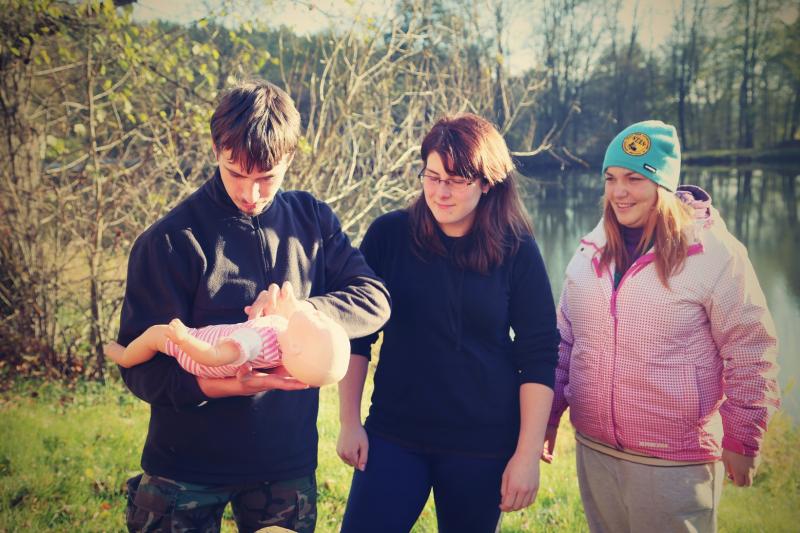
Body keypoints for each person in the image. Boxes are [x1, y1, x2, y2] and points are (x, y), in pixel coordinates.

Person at [116, 79, 390, 533]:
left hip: (284, 467)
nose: (251, 193)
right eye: (236, 173)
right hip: (183, 468)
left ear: (290, 158)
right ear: (216, 149)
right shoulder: (169, 240)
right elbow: (138, 369)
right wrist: (213, 385)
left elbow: (373, 298)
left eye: (267, 177)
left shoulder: (313, 221)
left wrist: (300, 313)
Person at [544, 120, 781, 533]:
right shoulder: (590, 251)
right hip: (595, 451)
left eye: (634, 179)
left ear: (663, 185)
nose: (619, 191)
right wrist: (547, 417)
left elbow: (750, 348)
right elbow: (564, 342)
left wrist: (744, 437)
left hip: (675, 463)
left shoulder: (713, 254)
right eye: (611, 178)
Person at [337, 113, 561, 532]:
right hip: (394, 434)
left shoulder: (517, 249)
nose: (440, 192)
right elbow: (357, 335)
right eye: (432, 176)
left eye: (456, 181)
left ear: (487, 183)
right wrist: (349, 421)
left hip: (483, 446)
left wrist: (526, 455)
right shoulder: (388, 235)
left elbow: (539, 354)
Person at [105, 281, 351, 387]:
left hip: (198, 353)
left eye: (320, 322)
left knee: (156, 335)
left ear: (297, 346)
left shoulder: (255, 342)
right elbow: (270, 323)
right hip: (211, 345)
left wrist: (183, 339)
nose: (321, 315)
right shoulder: (282, 338)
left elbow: (214, 356)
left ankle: (125, 356)